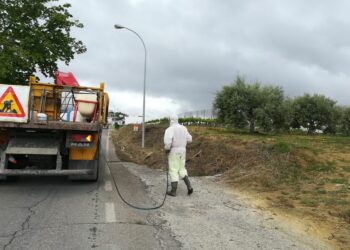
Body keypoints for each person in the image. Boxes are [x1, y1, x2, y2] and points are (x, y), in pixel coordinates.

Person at [164, 114, 193, 197]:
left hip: (174, 151)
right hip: (183, 151)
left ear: (170, 120)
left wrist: (166, 149)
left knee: (173, 170)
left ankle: (173, 191)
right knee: (182, 169)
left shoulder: (169, 129)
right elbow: (190, 139)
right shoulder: (184, 128)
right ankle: (189, 187)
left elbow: (168, 143)